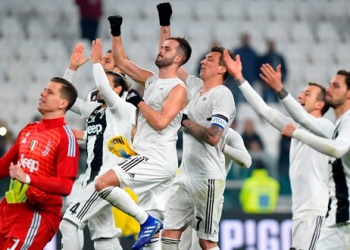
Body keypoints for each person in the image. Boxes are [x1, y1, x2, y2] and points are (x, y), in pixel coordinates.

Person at [94, 9, 192, 250]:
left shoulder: (179, 89)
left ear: (178, 59)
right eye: (162, 47)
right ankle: (148, 222)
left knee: (102, 184)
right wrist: (116, 32)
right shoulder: (150, 79)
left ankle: (146, 220)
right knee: (152, 236)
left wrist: (138, 101)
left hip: (156, 158)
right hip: (148, 157)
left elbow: (161, 122)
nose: (161, 49)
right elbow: (121, 62)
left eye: (167, 49)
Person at [223, 53, 335, 250]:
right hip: (300, 211)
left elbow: (303, 118)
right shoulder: (297, 128)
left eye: (307, 94)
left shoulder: (326, 127)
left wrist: (280, 90)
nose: (300, 95)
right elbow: (265, 111)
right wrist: (240, 78)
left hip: (316, 212)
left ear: (320, 104)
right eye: (301, 92)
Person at [155, 3, 236, 250]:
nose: (202, 61)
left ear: (222, 69)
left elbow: (213, 136)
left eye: (209, 59)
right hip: (185, 174)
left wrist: (185, 122)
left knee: (206, 241)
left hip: (207, 178)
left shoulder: (222, 95)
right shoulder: (193, 87)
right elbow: (171, 59)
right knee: (169, 230)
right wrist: (165, 23)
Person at [59, 40, 136, 250]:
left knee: (69, 223)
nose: (102, 62)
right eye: (100, 59)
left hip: (108, 174)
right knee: (103, 235)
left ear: (120, 69)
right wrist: (72, 69)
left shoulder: (128, 99)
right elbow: (67, 101)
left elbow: (124, 138)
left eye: (107, 60)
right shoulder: (96, 100)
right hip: (92, 173)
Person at [0, 77, 79, 249]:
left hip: (38, 214)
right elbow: (3, 166)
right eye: (44, 90)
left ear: (63, 103)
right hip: (10, 208)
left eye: (50, 92)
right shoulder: (29, 129)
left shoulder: (65, 136)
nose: (42, 93)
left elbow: (65, 185)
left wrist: (28, 179)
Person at [281, 70, 350, 250]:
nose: (330, 90)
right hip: (329, 216)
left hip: (322, 213)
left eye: (336, 85)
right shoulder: (337, 126)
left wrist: (280, 90)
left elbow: (337, 149)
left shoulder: (328, 126)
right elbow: (268, 114)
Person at [179, 127, 252, 250]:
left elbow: (246, 161)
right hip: (186, 193)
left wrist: (222, 146)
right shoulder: (192, 126)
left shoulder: (229, 135)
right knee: (181, 245)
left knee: (201, 245)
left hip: (209, 196)